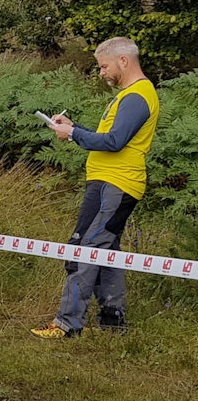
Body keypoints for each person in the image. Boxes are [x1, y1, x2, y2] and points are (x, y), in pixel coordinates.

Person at [31, 37, 159, 339]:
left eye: (103, 66)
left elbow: (115, 143)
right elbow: (108, 139)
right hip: (106, 182)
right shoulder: (129, 96)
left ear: (123, 61)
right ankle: (113, 321)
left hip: (116, 184)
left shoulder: (138, 96)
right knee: (106, 250)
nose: (101, 72)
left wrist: (73, 134)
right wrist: (74, 128)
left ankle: (66, 324)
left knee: (84, 249)